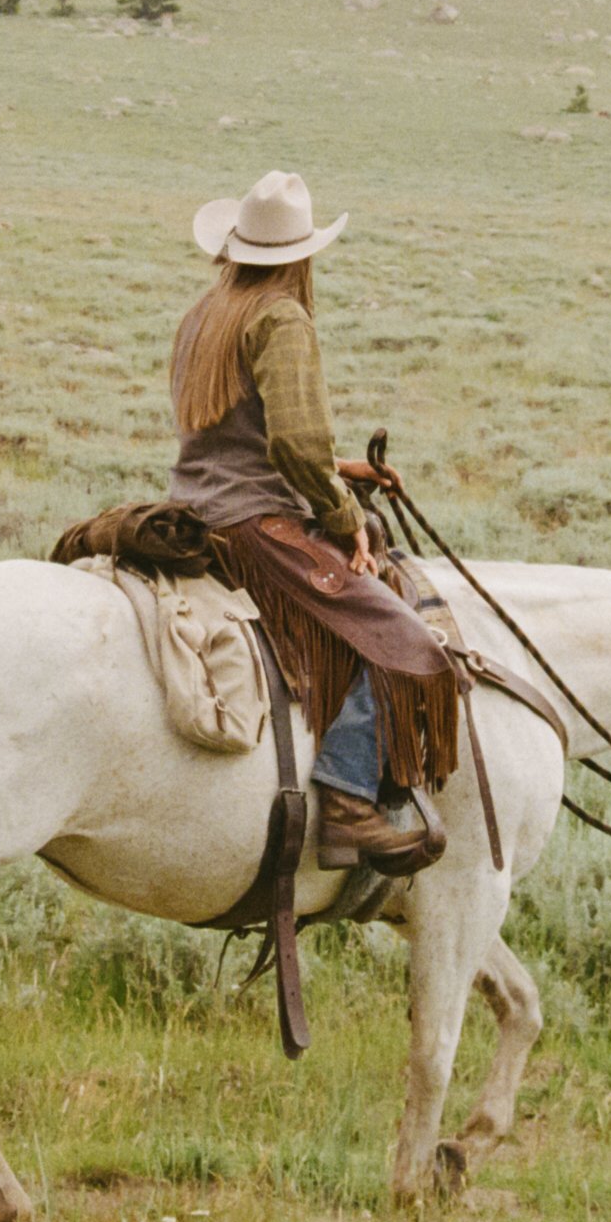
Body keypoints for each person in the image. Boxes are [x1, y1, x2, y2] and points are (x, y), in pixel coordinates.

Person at [167, 169, 458, 869]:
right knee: (404, 637)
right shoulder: (281, 316)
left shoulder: (208, 312)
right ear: (299, 258)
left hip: (197, 509)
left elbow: (242, 432)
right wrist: (341, 514)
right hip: (252, 523)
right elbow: (292, 443)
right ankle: (349, 801)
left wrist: (339, 472)